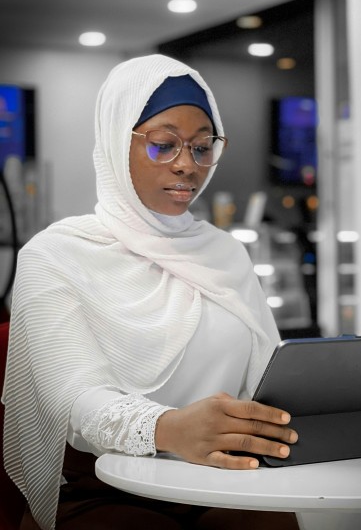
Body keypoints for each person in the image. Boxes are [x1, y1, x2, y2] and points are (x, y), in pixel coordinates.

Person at [2, 54, 300, 530]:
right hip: (101, 486)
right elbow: (76, 395)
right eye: (164, 145)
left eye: (203, 147)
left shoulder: (224, 252)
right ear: (118, 142)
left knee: (269, 523)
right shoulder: (56, 254)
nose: (188, 166)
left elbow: (266, 372)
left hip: (218, 475)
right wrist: (170, 429)